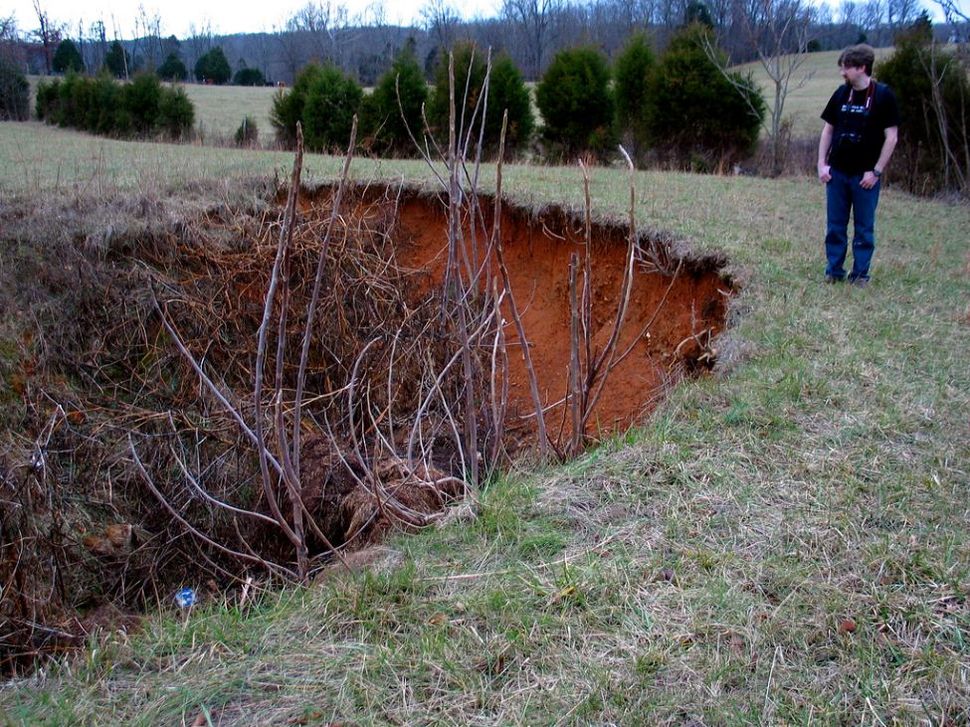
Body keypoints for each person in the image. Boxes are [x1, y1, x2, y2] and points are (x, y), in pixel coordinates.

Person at [817, 44, 899, 287]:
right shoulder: (841, 94)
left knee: (864, 229)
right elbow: (828, 129)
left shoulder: (883, 96)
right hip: (837, 173)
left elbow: (892, 137)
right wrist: (822, 164)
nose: (843, 73)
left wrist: (876, 171)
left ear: (861, 67)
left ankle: (860, 275)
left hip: (865, 177)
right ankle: (834, 270)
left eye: (846, 68)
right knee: (835, 226)